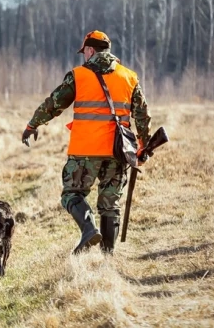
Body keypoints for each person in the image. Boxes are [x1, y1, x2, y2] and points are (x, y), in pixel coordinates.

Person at [21, 30, 151, 255]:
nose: (84, 56)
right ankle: (107, 258)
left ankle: (89, 230)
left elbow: (54, 104)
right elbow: (142, 116)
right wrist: (143, 146)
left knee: (72, 194)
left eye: (85, 52)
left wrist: (33, 124)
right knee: (110, 204)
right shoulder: (130, 77)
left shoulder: (78, 75)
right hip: (117, 152)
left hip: (84, 152)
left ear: (90, 50)